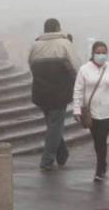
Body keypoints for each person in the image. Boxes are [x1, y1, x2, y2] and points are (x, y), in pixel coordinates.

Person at [28, 18, 80, 171]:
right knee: (55, 124)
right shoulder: (65, 44)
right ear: (58, 28)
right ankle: (47, 160)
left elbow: (30, 63)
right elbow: (76, 65)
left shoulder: (35, 44)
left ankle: (62, 153)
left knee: (53, 124)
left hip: (40, 90)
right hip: (60, 90)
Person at [72, 41, 109, 182]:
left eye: (104, 52)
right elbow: (78, 90)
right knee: (97, 140)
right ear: (92, 53)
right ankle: (102, 163)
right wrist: (76, 109)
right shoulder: (84, 69)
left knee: (102, 139)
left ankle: (100, 168)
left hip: (108, 112)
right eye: (98, 52)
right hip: (91, 113)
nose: (101, 55)